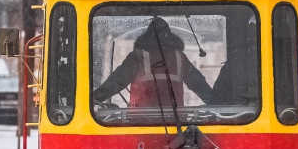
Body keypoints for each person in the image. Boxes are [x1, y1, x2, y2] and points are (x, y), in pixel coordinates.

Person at [91, 17, 223, 109]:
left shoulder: (137, 57)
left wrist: (93, 99)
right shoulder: (180, 58)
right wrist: (217, 104)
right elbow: (199, 85)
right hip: (176, 126)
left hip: (138, 126)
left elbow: (115, 83)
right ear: (170, 39)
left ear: (146, 39)